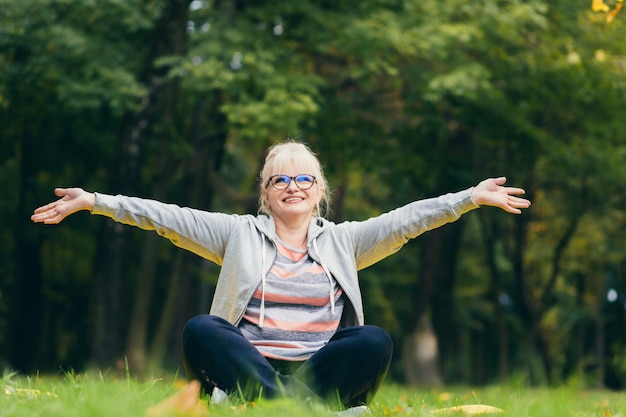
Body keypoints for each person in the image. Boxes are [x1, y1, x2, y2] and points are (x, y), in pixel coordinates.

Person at [31, 141, 531, 413]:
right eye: (280, 179)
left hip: (317, 369)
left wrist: (466, 198)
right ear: (266, 194)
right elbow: (164, 216)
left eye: (304, 178)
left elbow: (408, 220)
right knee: (202, 329)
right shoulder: (236, 234)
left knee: (374, 340)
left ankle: (279, 406)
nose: (292, 186)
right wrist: (95, 201)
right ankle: (300, 410)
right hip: (246, 364)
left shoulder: (345, 240)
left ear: (319, 191)